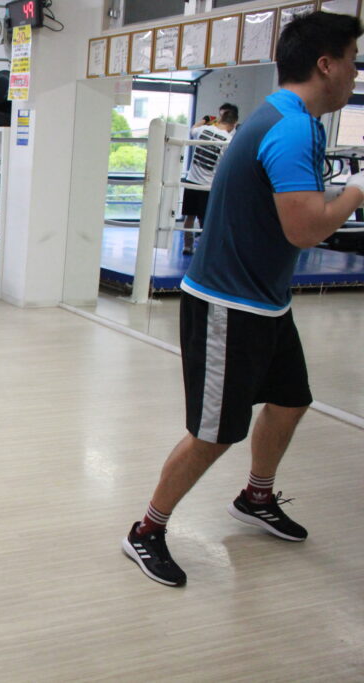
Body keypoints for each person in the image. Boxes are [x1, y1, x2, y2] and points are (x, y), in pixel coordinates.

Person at [122, 11, 364, 588]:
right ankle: (146, 531)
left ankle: (256, 497)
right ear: (325, 65)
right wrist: (357, 190)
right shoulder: (291, 129)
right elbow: (305, 230)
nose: (356, 74)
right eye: (352, 61)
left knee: (291, 399)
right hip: (229, 305)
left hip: (266, 300)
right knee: (214, 433)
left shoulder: (288, 118)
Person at [180, 103, 239, 255]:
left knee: (189, 217)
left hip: (191, 181)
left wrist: (205, 119)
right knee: (206, 220)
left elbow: (193, 129)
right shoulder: (228, 140)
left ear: (220, 119)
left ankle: (187, 246)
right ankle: (203, 251)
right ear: (234, 124)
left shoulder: (203, 129)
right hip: (208, 186)